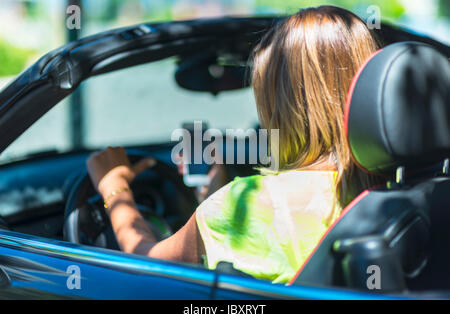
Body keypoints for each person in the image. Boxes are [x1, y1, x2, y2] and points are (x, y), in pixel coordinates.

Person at [87, 6, 384, 284]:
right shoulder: (396, 185)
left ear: (279, 107)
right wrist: (214, 200)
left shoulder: (241, 205)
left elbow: (146, 264)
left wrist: (115, 188)